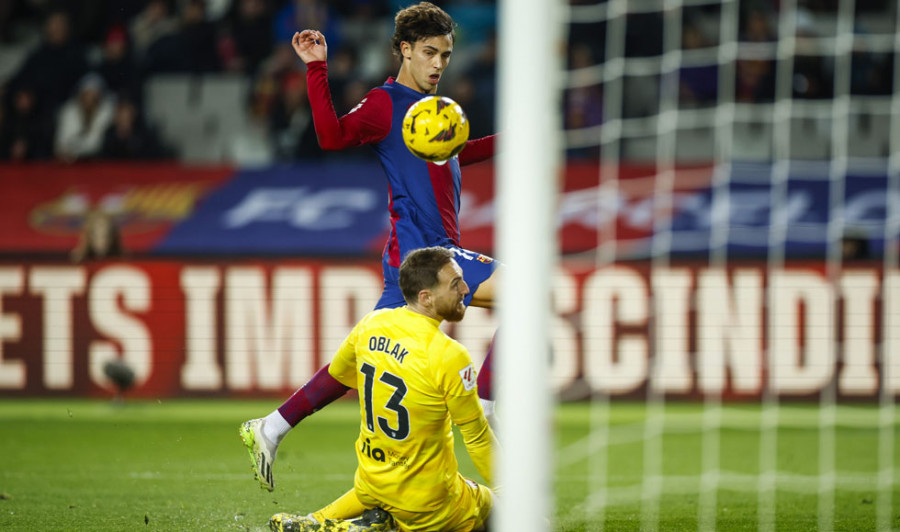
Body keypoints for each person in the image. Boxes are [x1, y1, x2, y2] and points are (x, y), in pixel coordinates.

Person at [240, 1, 503, 493]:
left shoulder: (434, 113)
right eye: (429, 53)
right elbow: (331, 136)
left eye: (445, 55)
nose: (438, 64)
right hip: (425, 254)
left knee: (361, 356)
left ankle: (272, 426)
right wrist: (317, 68)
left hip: (414, 261)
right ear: (404, 50)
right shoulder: (385, 104)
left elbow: (456, 152)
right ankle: (485, 403)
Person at [268, 247, 496, 532]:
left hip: (373, 482)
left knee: (381, 492)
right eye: (455, 284)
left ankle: (317, 521)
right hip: (430, 503)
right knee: (499, 509)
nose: (466, 289)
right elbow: (477, 439)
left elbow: (337, 375)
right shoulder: (450, 355)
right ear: (426, 297)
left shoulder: (370, 325)